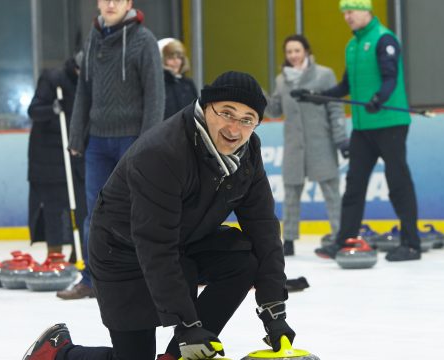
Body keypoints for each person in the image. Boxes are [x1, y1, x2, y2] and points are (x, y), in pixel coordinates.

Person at [22, 71, 295, 360]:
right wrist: (188, 325)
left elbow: (263, 229)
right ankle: (57, 353)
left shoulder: (247, 153)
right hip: (122, 251)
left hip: (183, 240)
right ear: (205, 107)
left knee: (243, 259)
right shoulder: (163, 152)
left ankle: (176, 356)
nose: (234, 128)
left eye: (247, 119)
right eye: (226, 113)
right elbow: (155, 244)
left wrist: (274, 308)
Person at [292, 0, 422, 262]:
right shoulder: (352, 46)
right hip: (363, 127)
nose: (347, 17)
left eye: (351, 11)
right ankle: (344, 240)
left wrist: (379, 99)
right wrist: (316, 96)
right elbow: (345, 86)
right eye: (344, 13)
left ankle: (411, 243)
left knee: (398, 182)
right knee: (354, 185)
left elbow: (390, 78)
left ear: (366, 10)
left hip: (390, 123)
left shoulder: (384, 39)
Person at [62, 0, 164, 300]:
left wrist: (148, 143)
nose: (110, 4)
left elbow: (155, 95)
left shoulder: (144, 40)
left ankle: (135, 279)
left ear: (129, 3)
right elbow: (84, 90)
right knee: (94, 213)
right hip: (97, 142)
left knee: (135, 213)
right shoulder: (93, 38)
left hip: (132, 141)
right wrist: (77, 135)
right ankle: (91, 279)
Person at [265, 34, 348, 256]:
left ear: (306, 51)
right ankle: (289, 239)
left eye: (297, 51)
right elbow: (274, 110)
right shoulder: (281, 80)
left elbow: (334, 108)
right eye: (289, 52)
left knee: (331, 191)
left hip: (321, 142)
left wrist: (341, 139)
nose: (293, 55)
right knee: (291, 192)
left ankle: (340, 235)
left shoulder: (324, 75)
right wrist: (259, 97)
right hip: (294, 145)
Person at [26, 52, 86, 262]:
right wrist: (53, 109)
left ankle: (78, 252)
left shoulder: (92, 81)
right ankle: (55, 254)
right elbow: (34, 111)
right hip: (48, 157)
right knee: (53, 207)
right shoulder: (54, 78)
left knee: (80, 205)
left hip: (77, 154)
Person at [158, 38, 199, 119]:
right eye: (171, 58)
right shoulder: (159, 85)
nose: (176, 61)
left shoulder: (188, 84)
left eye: (179, 57)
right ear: (162, 60)